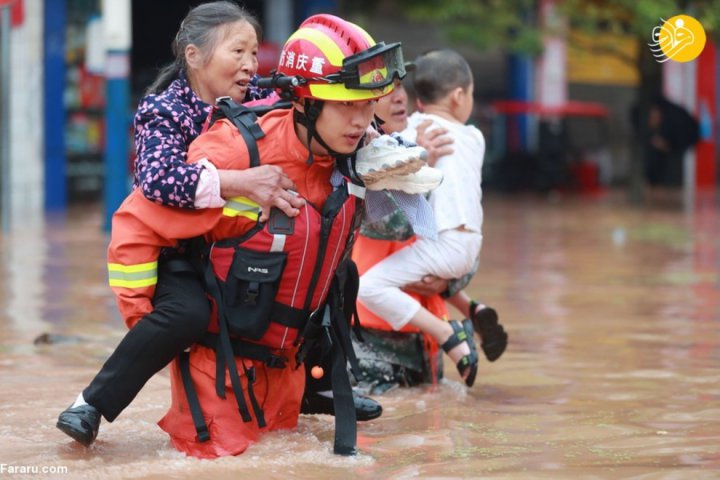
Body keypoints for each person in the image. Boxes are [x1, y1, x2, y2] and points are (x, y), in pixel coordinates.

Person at [55, 2, 379, 449]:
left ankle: (316, 384)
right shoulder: (165, 110)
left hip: (226, 241)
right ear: (193, 56)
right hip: (175, 247)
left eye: (253, 53)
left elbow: (304, 98)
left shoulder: (252, 96)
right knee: (186, 314)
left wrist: (371, 132)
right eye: (238, 52)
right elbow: (156, 181)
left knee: (335, 270)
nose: (250, 64)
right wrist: (240, 181)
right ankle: (91, 403)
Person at [357, 49, 507, 389]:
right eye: (384, 91)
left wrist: (448, 283)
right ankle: (469, 312)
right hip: (372, 338)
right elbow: (384, 223)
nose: (398, 98)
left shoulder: (419, 135)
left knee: (430, 426)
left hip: (423, 331)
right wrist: (417, 159)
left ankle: (463, 317)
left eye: (402, 88)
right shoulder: (361, 156)